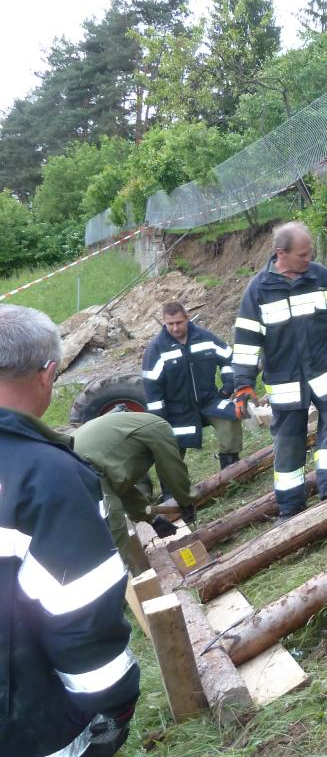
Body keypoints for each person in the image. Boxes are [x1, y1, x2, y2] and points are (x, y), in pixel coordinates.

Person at [0, 304, 140, 757]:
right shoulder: (46, 478)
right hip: (29, 725)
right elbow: (80, 613)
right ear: (48, 374)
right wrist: (114, 703)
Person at [232, 221, 327, 520]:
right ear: (281, 253)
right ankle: (291, 507)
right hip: (286, 384)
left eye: (310, 253)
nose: (310, 259)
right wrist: (243, 384)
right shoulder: (258, 290)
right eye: (303, 255)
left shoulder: (321, 278)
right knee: (288, 444)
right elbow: (246, 343)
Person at [74, 411, 198, 576]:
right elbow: (172, 469)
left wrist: (152, 519)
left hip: (74, 461)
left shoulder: (139, 425)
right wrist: (186, 500)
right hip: (82, 467)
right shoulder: (161, 429)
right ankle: (120, 583)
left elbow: (119, 486)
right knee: (114, 525)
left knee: (89, 532)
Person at [142, 301, 243, 468]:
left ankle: (231, 467)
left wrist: (227, 387)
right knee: (170, 451)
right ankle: (173, 483)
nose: (175, 328)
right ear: (164, 322)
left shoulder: (205, 338)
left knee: (231, 416)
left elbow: (229, 359)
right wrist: (161, 420)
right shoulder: (156, 349)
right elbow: (152, 389)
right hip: (176, 411)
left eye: (179, 322)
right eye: (170, 324)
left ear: (187, 318)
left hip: (209, 401)